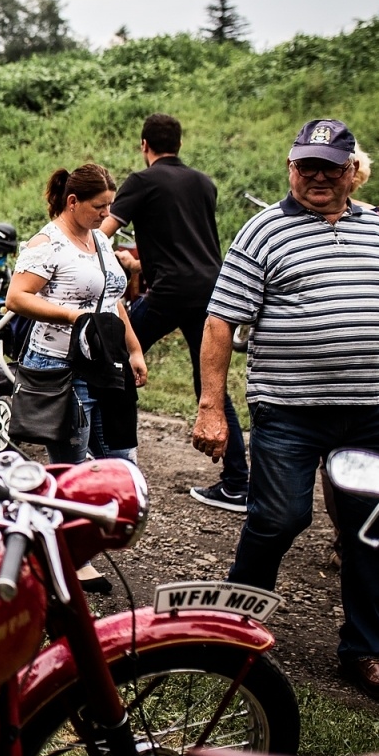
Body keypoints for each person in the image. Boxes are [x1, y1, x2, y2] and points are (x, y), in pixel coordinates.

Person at [192, 118, 379, 704]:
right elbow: (219, 321)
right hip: (288, 410)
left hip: (373, 412)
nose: (317, 177)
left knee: (371, 532)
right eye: (306, 165)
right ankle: (230, 630)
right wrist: (210, 406)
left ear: (350, 172)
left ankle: (366, 652)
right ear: (290, 168)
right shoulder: (262, 231)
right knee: (278, 520)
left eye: (330, 167)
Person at [100, 113, 248, 512]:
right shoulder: (203, 183)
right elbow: (185, 241)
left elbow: (102, 232)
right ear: (178, 144)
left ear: (144, 145)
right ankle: (238, 482)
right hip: (213, 290)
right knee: (209, 384)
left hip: (170, 291)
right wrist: (138, 264)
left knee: (116, 353)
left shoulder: (142, 181)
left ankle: (116, 455)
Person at [7, 163, 149, 460]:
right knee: (73, 471)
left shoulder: (99, 240)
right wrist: (72, 316)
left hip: (105, 363)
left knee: (123, 463)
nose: (107, 213)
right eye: (99, 206)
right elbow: (17, 298)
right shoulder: (48, 243)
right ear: (73, 202)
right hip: (62, 367)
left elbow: (111, 298)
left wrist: (134, 349)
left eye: (110, 205)